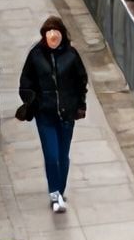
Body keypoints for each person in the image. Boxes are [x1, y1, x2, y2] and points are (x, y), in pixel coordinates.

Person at [18, 15, 89, 213]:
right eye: (48, 32)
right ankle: (55, 194)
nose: (52, 36)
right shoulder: (35, 55)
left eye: (55, 32)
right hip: (45, 115)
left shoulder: (71, 55)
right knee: (51, 155)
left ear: (62, 34)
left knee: (63, 156)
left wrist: (80, 105)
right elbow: (25, 82)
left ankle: (59, 190)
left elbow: (81, 81)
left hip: (67, 115)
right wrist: (33, 101)